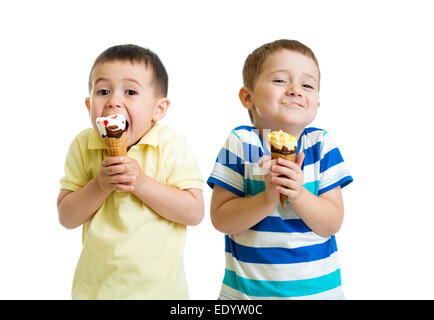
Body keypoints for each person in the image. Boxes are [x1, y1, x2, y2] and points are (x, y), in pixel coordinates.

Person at [207, 39, 353, 299]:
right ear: (248, 97)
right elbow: (221, 219)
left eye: (307, 85)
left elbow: (332, 223)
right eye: (280, 81)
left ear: (317, 103)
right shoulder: (243, 143)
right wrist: (267, 198)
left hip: (318, 293)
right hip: (246, 296)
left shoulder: (319, 145)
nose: (296, 90)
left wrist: (298, 194)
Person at [57, 44, 204, 299]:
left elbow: (194, 212)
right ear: (88, 104)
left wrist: (142, 184)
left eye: (130, 91)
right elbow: (66, 217)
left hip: (160, 292)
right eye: (103, 91)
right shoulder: (83, 145)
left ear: (158, 109)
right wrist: (99, 186)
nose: (114, 101)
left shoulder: (170, 144)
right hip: (95, 290)